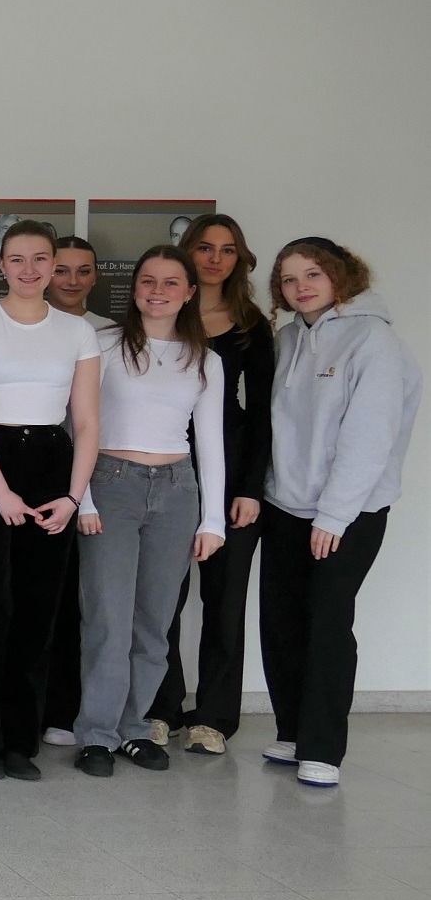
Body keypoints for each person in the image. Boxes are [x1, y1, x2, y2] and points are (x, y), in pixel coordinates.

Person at [259, 238, 420, 788]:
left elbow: (369, 436)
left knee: (327, 623)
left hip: (346, 513)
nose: (300, 287)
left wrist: (333, 515)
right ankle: (292, 732)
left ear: (341, 277)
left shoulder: (374, 340)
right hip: (284, 503)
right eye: (288, 279)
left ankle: (323, 747)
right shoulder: (286, 339)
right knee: (281, 621)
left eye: (313, 275)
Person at [0, 221, 101, 781]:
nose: (30, 270)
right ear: (0, 264)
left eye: (42, 260)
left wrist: (73, 497)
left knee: (38, 611)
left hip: (51, 466)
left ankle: (20, 740)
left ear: (55, 265)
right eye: (18, 259)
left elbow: (85, 422)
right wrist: (0, 491)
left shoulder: (77, 332)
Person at [70, 246, 227, 779]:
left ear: (188, 292)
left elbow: (210, 441)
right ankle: (96, 732)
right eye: (147, 280)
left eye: (170, 282)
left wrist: (212, 520)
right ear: (134, 288)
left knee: (154, 622)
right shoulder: (102, 344)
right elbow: (77, 425)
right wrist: (82, 498)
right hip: (110, 484)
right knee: (107, 618)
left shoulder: (205, 357)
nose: (157, 290)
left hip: (177, 491)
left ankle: (135, 729)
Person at [153, 214, 275, 755]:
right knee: (163, 599)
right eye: (204, 247)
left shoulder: (251, 323)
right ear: (186, 253)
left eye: (227, 250)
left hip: (232, 476)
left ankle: (215, 718)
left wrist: (250, 487)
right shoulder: (161, 314)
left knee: (225, 602)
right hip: (167, 470)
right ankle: (160, 708)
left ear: (239, 259)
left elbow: (263, 413)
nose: (215, 258)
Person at [38, 235, 113, 747]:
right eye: (59, 269)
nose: (70, 280)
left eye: (81, 271)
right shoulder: (21, 325)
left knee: (96, 604)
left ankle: (80, 710)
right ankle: (50, 709)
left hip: (102, 483)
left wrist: (83, 494)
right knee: (54, 599)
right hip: (47, 479)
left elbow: (94, 420)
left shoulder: (110, 333)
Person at [47, 237, 112, 327]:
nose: (73, 282)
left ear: (95, 276)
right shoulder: (23, 326)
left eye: (83, 272)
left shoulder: (110, 332)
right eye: (61, 271)